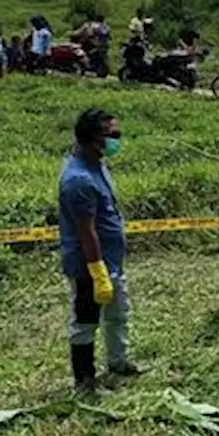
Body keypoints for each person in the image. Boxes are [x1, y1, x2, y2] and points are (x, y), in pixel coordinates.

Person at [59, 108, 144, 392]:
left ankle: (119, 362)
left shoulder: (98, 164)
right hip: (89, 264)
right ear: (95, 138)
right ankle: (84, 379)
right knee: (85, 320)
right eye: (113, 135)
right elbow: (87, 231)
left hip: (111, 260)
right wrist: (98, 273)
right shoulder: (78, 180)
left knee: (118, 314)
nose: (117, 140)